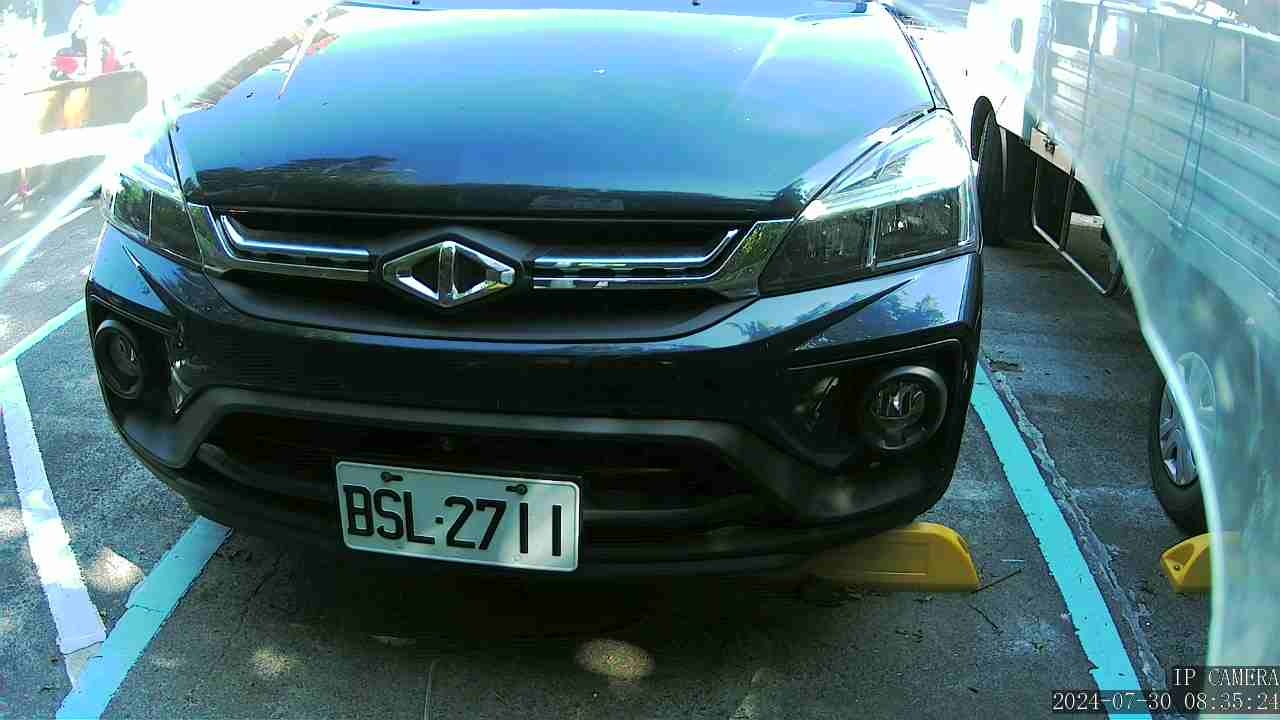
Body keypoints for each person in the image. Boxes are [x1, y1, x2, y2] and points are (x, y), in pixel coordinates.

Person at [67, 0, 100, 76]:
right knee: (88, 54)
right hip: (82, 38)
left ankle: (91, 72)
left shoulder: (90, 9)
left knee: (93, 54)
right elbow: (72, 27)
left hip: (89, 37)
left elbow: (94, 25)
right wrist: (78, 34)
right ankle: (88, 72)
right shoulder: (81, 10)